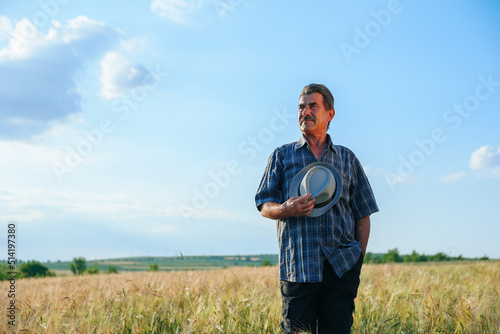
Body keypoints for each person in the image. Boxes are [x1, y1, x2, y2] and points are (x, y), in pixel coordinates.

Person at [255, 83, 379, 333]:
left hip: (341, 266)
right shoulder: (282, 155)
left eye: (313, 106)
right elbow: (263, 205)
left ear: (330, 114)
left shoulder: (347, 158)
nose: (305, 112)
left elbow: (362, 213)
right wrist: (285, 210)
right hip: (298, 267)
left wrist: (357, 261)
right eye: (301, 107)